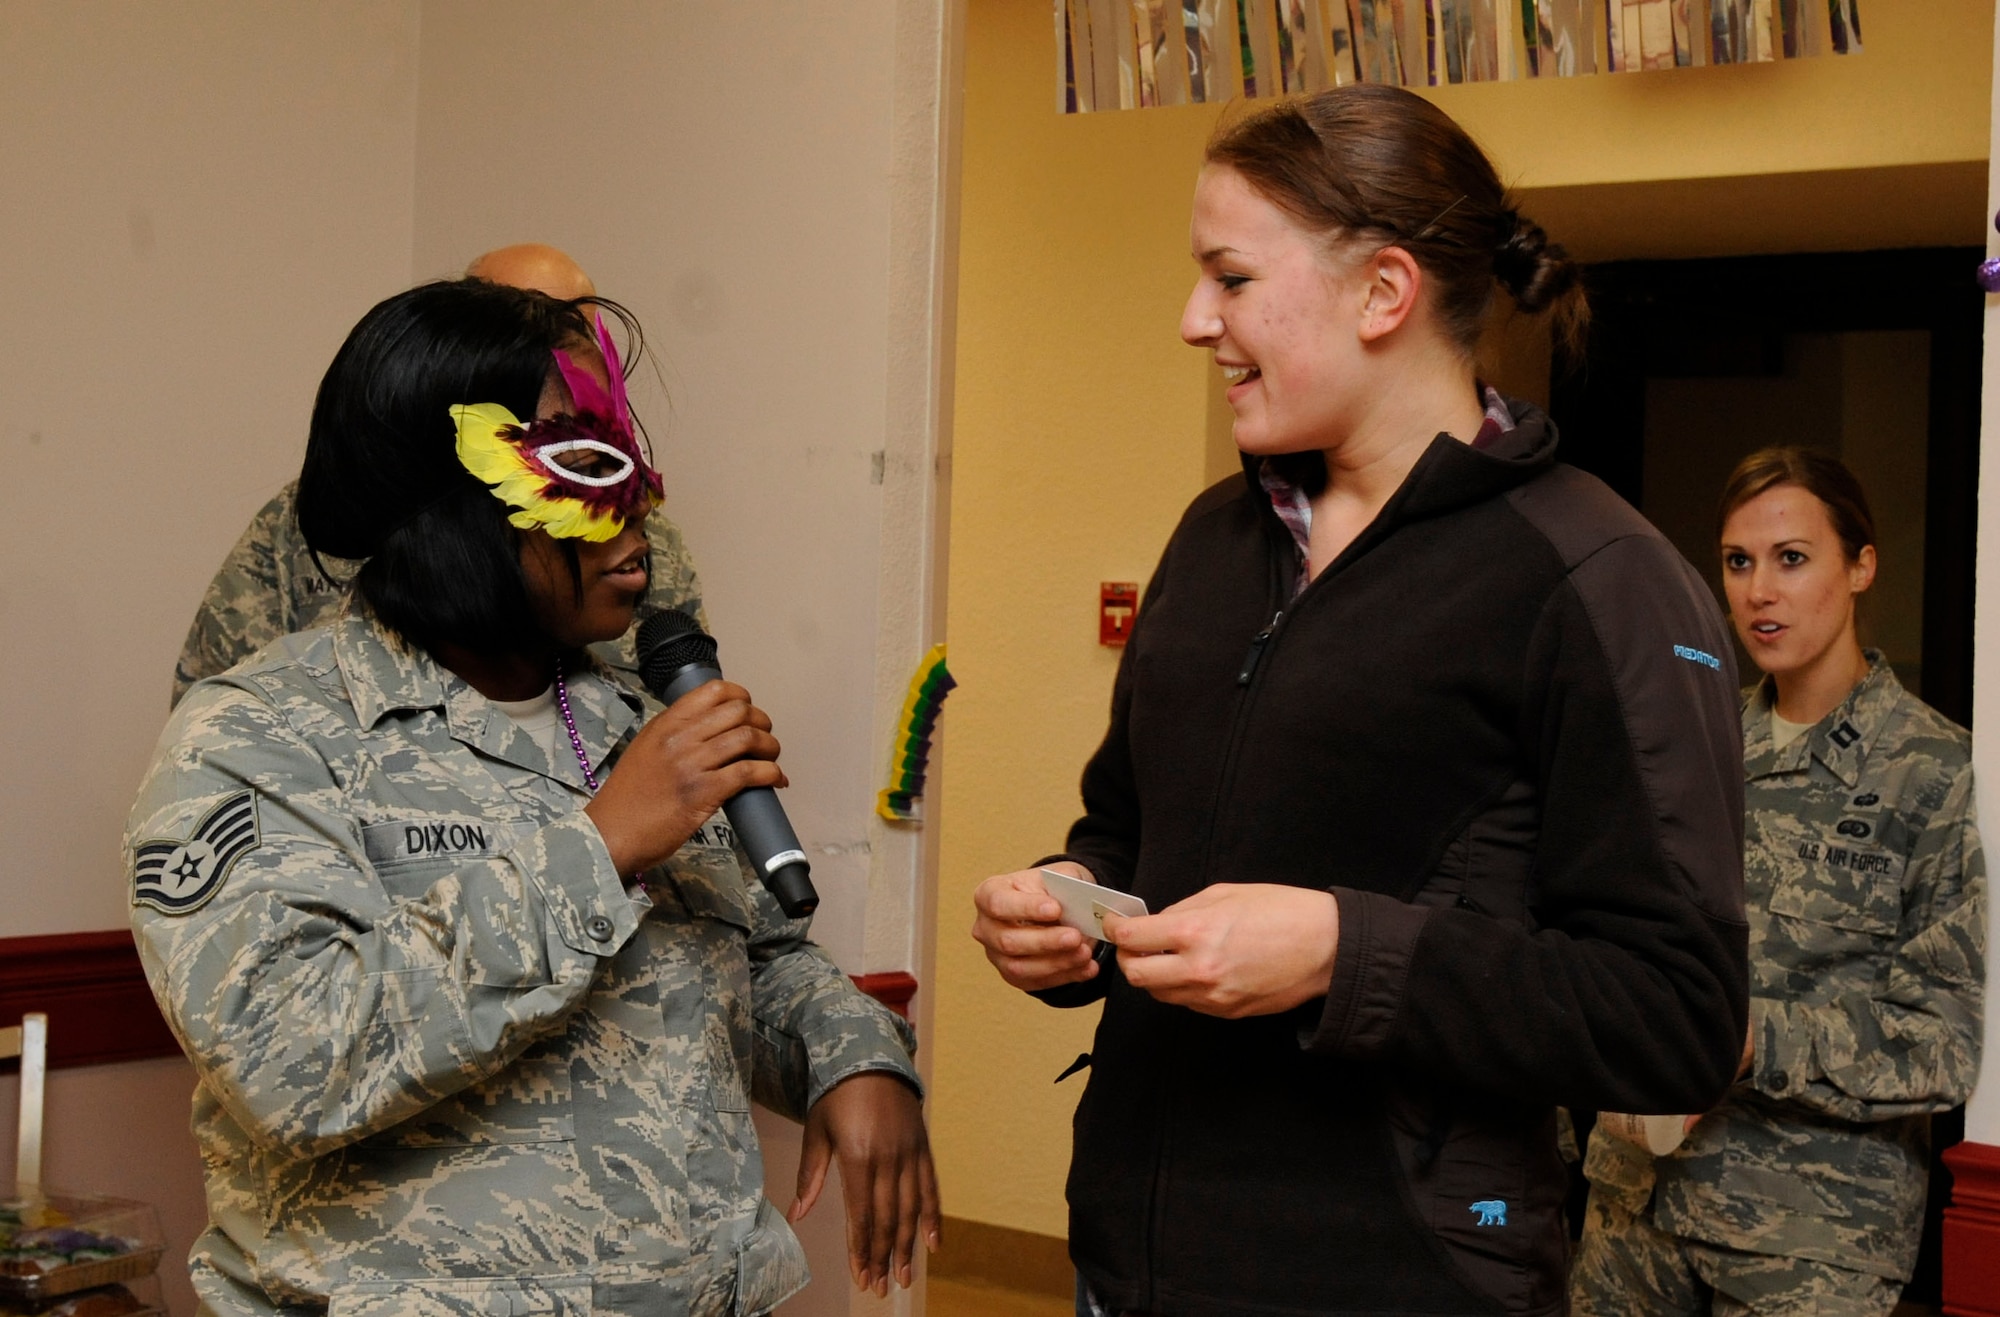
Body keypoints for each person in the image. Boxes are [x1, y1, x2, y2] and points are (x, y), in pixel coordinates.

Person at [970, 85, 1749, 1317]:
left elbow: (1676, 1019)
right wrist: (1064, 910)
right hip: (1132, 1264)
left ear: (1382, 293)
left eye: (1228, 278)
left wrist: (1344, 954)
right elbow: (1124, 833)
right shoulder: (1214, 539)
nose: (1191, 320)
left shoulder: (1598, 579)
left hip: (1399, 1279)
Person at [130, 279, 938, 1317]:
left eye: (629, 457)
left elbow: (756, 961)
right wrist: (599, 846)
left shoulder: (627, 723)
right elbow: (296, 1059)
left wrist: (854, 1056)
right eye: (583, 460)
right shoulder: (259, 736)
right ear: (451, 500)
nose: (639, 510)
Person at [1571, 447, 1986, 1317]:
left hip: (1808, 1238)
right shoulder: (1689, 742)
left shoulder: (1930, 770)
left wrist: (1759, 1040)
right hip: (1637, 1206)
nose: (1759, 590)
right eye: (1738, 561)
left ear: (1861, 565)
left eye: (1792, 558)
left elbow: (1943, 1045)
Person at [171, 243, 705, 706]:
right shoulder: (265, 719)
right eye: (511, 320)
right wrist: (615, 827)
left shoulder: (627, 718)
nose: (550, 341)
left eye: (569, 323)